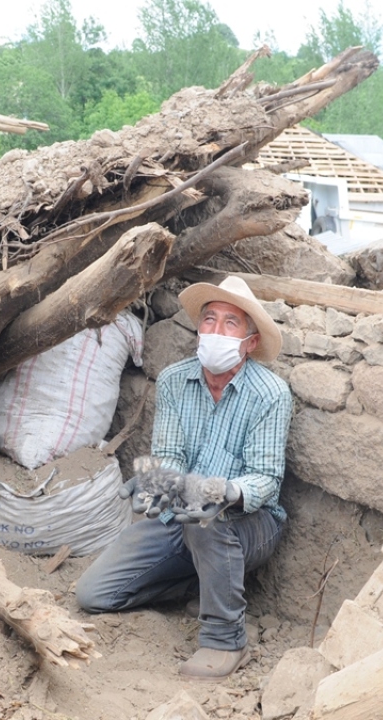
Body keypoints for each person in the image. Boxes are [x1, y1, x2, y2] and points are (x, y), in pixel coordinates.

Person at [75, 275, 292, 680]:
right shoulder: (176, 380)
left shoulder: (271, 394)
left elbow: (265, 480)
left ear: (250, 342)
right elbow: (170, 456)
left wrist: (225, 491)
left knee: (208, 521)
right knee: (94, 595)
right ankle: (201, 584)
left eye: (231, 323)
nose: (216, 331)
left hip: (250, 525)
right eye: (210, 320)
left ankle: (225, 638)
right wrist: (157, 483)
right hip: (184, 517)